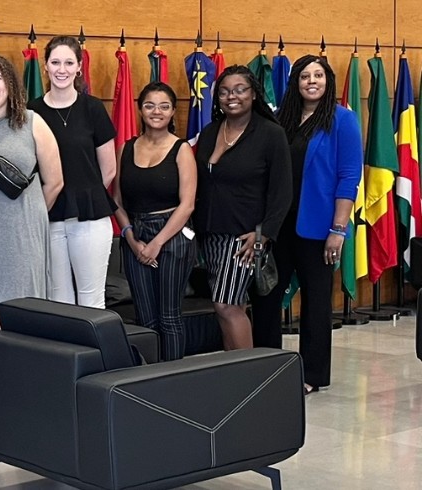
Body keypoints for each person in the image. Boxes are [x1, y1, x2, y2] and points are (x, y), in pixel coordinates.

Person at [259, 55, 362, 394]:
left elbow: (349, 177)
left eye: (318, 75)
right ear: (296, 82)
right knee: (266, 296)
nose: (312, 81)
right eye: (305, 76)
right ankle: (269, 367)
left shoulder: (342, 120)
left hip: (318, 228)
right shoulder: (279, 120)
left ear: (328, 80)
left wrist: (338, 229)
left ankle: (312, 375)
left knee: (316, 302)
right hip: (279, 224)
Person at [0, 54, 64, 330]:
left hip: (22, 236)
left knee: (22, 311)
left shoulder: (32, 122)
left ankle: (24, 373)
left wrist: (28, 216)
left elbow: (55, 182)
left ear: (9, 84)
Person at [193, 65, 292, 351]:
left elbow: (282, 191)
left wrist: (264, 234)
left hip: (244, 237)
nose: (231, 96)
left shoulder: (270, 134)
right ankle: (231, 369)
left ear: (253, 94)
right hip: (211, 233)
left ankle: (248, 376)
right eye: (224, 91)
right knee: (225, 305)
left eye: (239, 90)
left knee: (227, 305)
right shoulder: (211, 132)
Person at [27, 36, 118, 309]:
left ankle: (93, 353)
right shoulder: (32, 111)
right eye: (55, 62)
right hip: (50, 215)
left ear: (79, 67)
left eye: (69, 62)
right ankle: (67, 354)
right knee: (58, 301)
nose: (61, 69)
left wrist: (83, 193)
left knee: (91, 300)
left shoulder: (93, 108)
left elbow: (109, 170)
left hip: (89, 216)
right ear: (45, 66)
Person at [112, 82, 198, 361]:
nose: (156, 111)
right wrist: (132, 240)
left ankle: (173, 382)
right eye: (149, 105)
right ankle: (149, 381)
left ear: (173, 112)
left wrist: (157, 244)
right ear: (140, 109)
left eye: (164, 106)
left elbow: (187, 205)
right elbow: (117, 200)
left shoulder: (181, 149)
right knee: (145, 319)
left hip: (172, 237)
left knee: (169, 317)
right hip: (134, 236)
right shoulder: (126, 148)